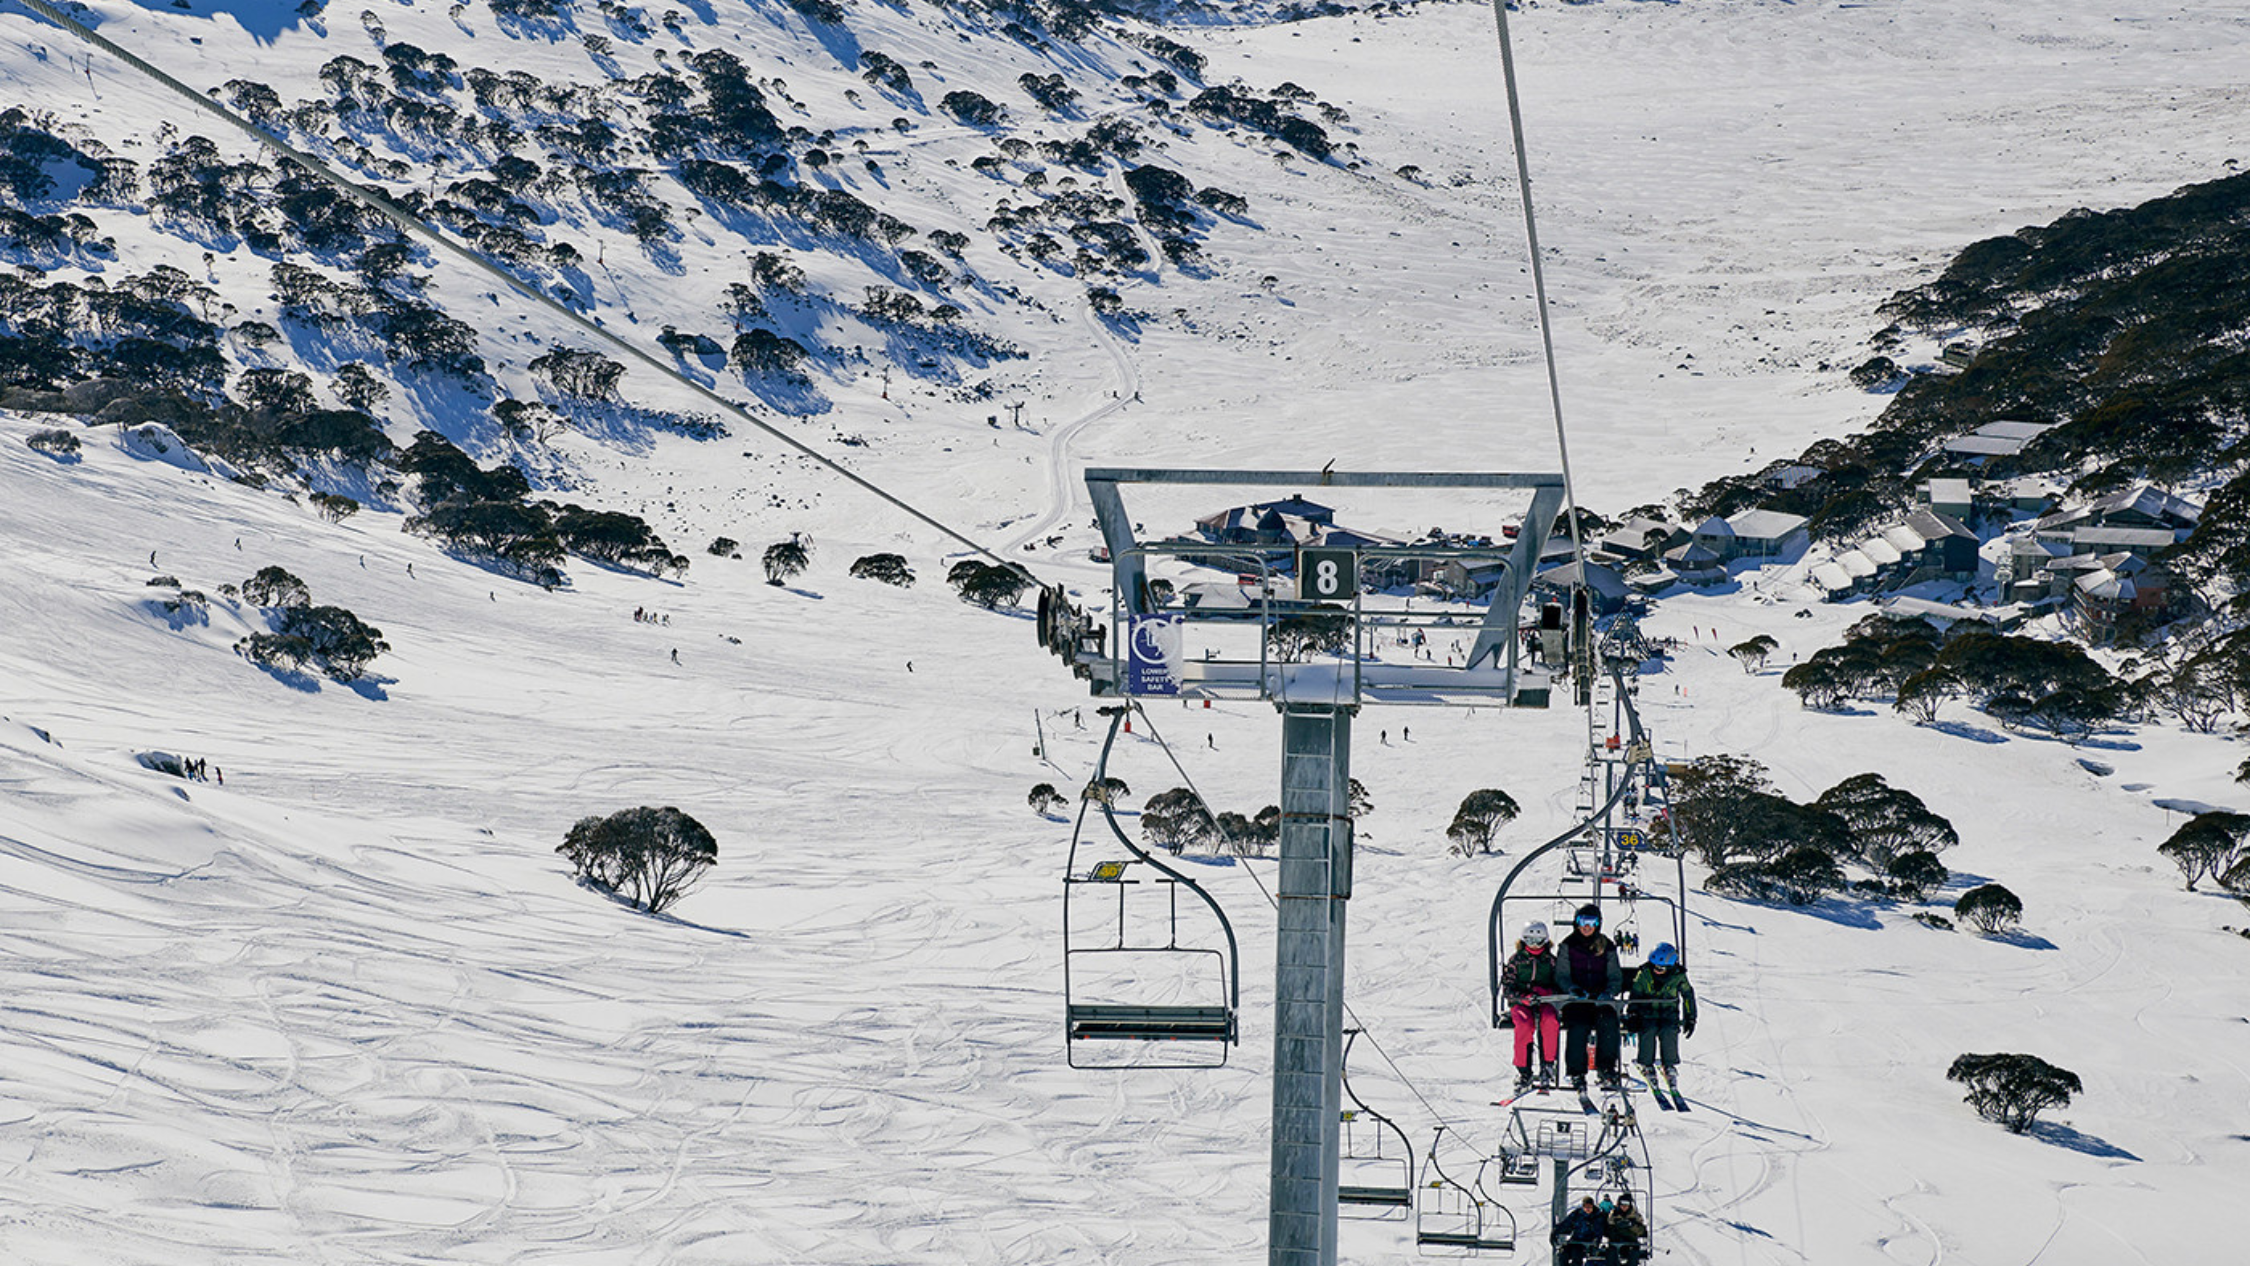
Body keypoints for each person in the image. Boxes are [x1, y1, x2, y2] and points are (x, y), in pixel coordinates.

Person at [1557, 903, 1623, 1092]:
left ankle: (1607, 1069)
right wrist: (1571, 989)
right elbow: (1561, 975)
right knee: (1578, 1025)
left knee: (1609, 1021)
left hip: (1600, 1000)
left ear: (1598, 924)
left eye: (1591, 922)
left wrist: (1609, 992)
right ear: (1576, 923)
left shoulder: (1607, 946)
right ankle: (1576, 1072)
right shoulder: (1568, 945)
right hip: (1577, 1000)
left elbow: (1615, 976)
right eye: (1582, 922)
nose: (1586, 926)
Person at [1626, 942, 1697, 1095]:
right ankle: (1646, 1063)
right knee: (1648, 1029)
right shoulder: (1644, 974)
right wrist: (1633, 1014)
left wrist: (1690, 1017)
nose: (1657, 971)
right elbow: (1635, 995)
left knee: (1669, 1030)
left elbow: (1687, 996)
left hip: (1668, 1013)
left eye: (1661, 968)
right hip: (1648, 1012)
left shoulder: (1678, 976)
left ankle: (1669, 1065)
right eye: (1655, 967)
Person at [1501, 921, 1561, 1093]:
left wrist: (1546, 992)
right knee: (1524, 1025)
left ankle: (1548, 1065)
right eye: (1530, 940)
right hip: (1522, 1003)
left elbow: (1559, 985)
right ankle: (1524, 1071)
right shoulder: (1516, 961)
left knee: (1550, 1021)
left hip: (1544, 1001)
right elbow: (1508, 988)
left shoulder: (1550, 961)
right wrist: (1523, 997)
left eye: (1538, 940)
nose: (1534, 944)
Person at [1551, 1195, 1606, 1266]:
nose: (1588, 1209)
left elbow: (1599, 1231)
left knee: (1576, 1256)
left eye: (1590, 1207)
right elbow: (1567, 1223)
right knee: (1563, 1254)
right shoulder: (1577, 1214)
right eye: (1586, 1207)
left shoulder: (1597, 1217)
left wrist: (1596, 1241)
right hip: (1575, 1240)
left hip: (1587, 1244)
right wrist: (1556, 1231)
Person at [1604, 1193, 1648, 1265]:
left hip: (1631, 1242)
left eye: (1626, 1204)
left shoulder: (1635, 1215)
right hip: (1616, 1242)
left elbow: (1642, 1231)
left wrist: (1631, 1225)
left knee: (1634, 1253)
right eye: (1622, 1204)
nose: (1624, 1206)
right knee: (1611, 1254)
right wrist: (1617, 1227)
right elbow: (1608, 1229)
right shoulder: (1614, 1214)